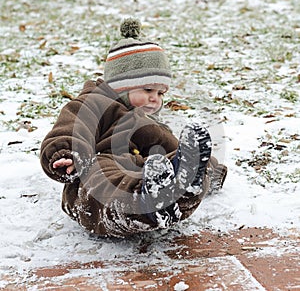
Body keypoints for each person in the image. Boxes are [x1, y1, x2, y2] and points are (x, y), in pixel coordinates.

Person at [40, 18, 227, 238]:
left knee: (167, 163)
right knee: (102, 174)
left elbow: (173, 149)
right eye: (148, 89)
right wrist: (67, 153)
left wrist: (206, 168)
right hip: (99, 169)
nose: (155, 99)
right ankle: (146, 203)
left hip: (148, 173)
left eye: (160, 93)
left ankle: (178, 191)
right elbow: (72, 127)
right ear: (120, 85)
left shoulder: (151, 126)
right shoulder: (94, 103)